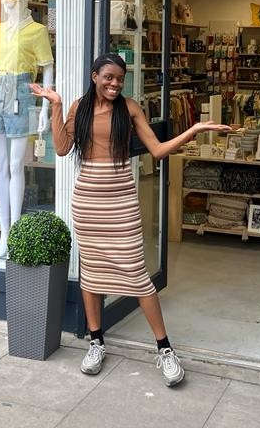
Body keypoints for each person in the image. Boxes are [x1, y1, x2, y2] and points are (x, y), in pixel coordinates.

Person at [32, 53, 230, 387]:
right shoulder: (78, 107)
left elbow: (158, 150)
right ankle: (96, 342)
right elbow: (62, 148)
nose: (114, 84)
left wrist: (194, 129)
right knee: (91, 273)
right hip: (88, 202)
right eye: (108, 77)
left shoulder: (130, 108)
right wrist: (55, 104)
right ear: (95, 75)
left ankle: (164, 349)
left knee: (137, 274)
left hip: (122, 201)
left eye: (120, 79)